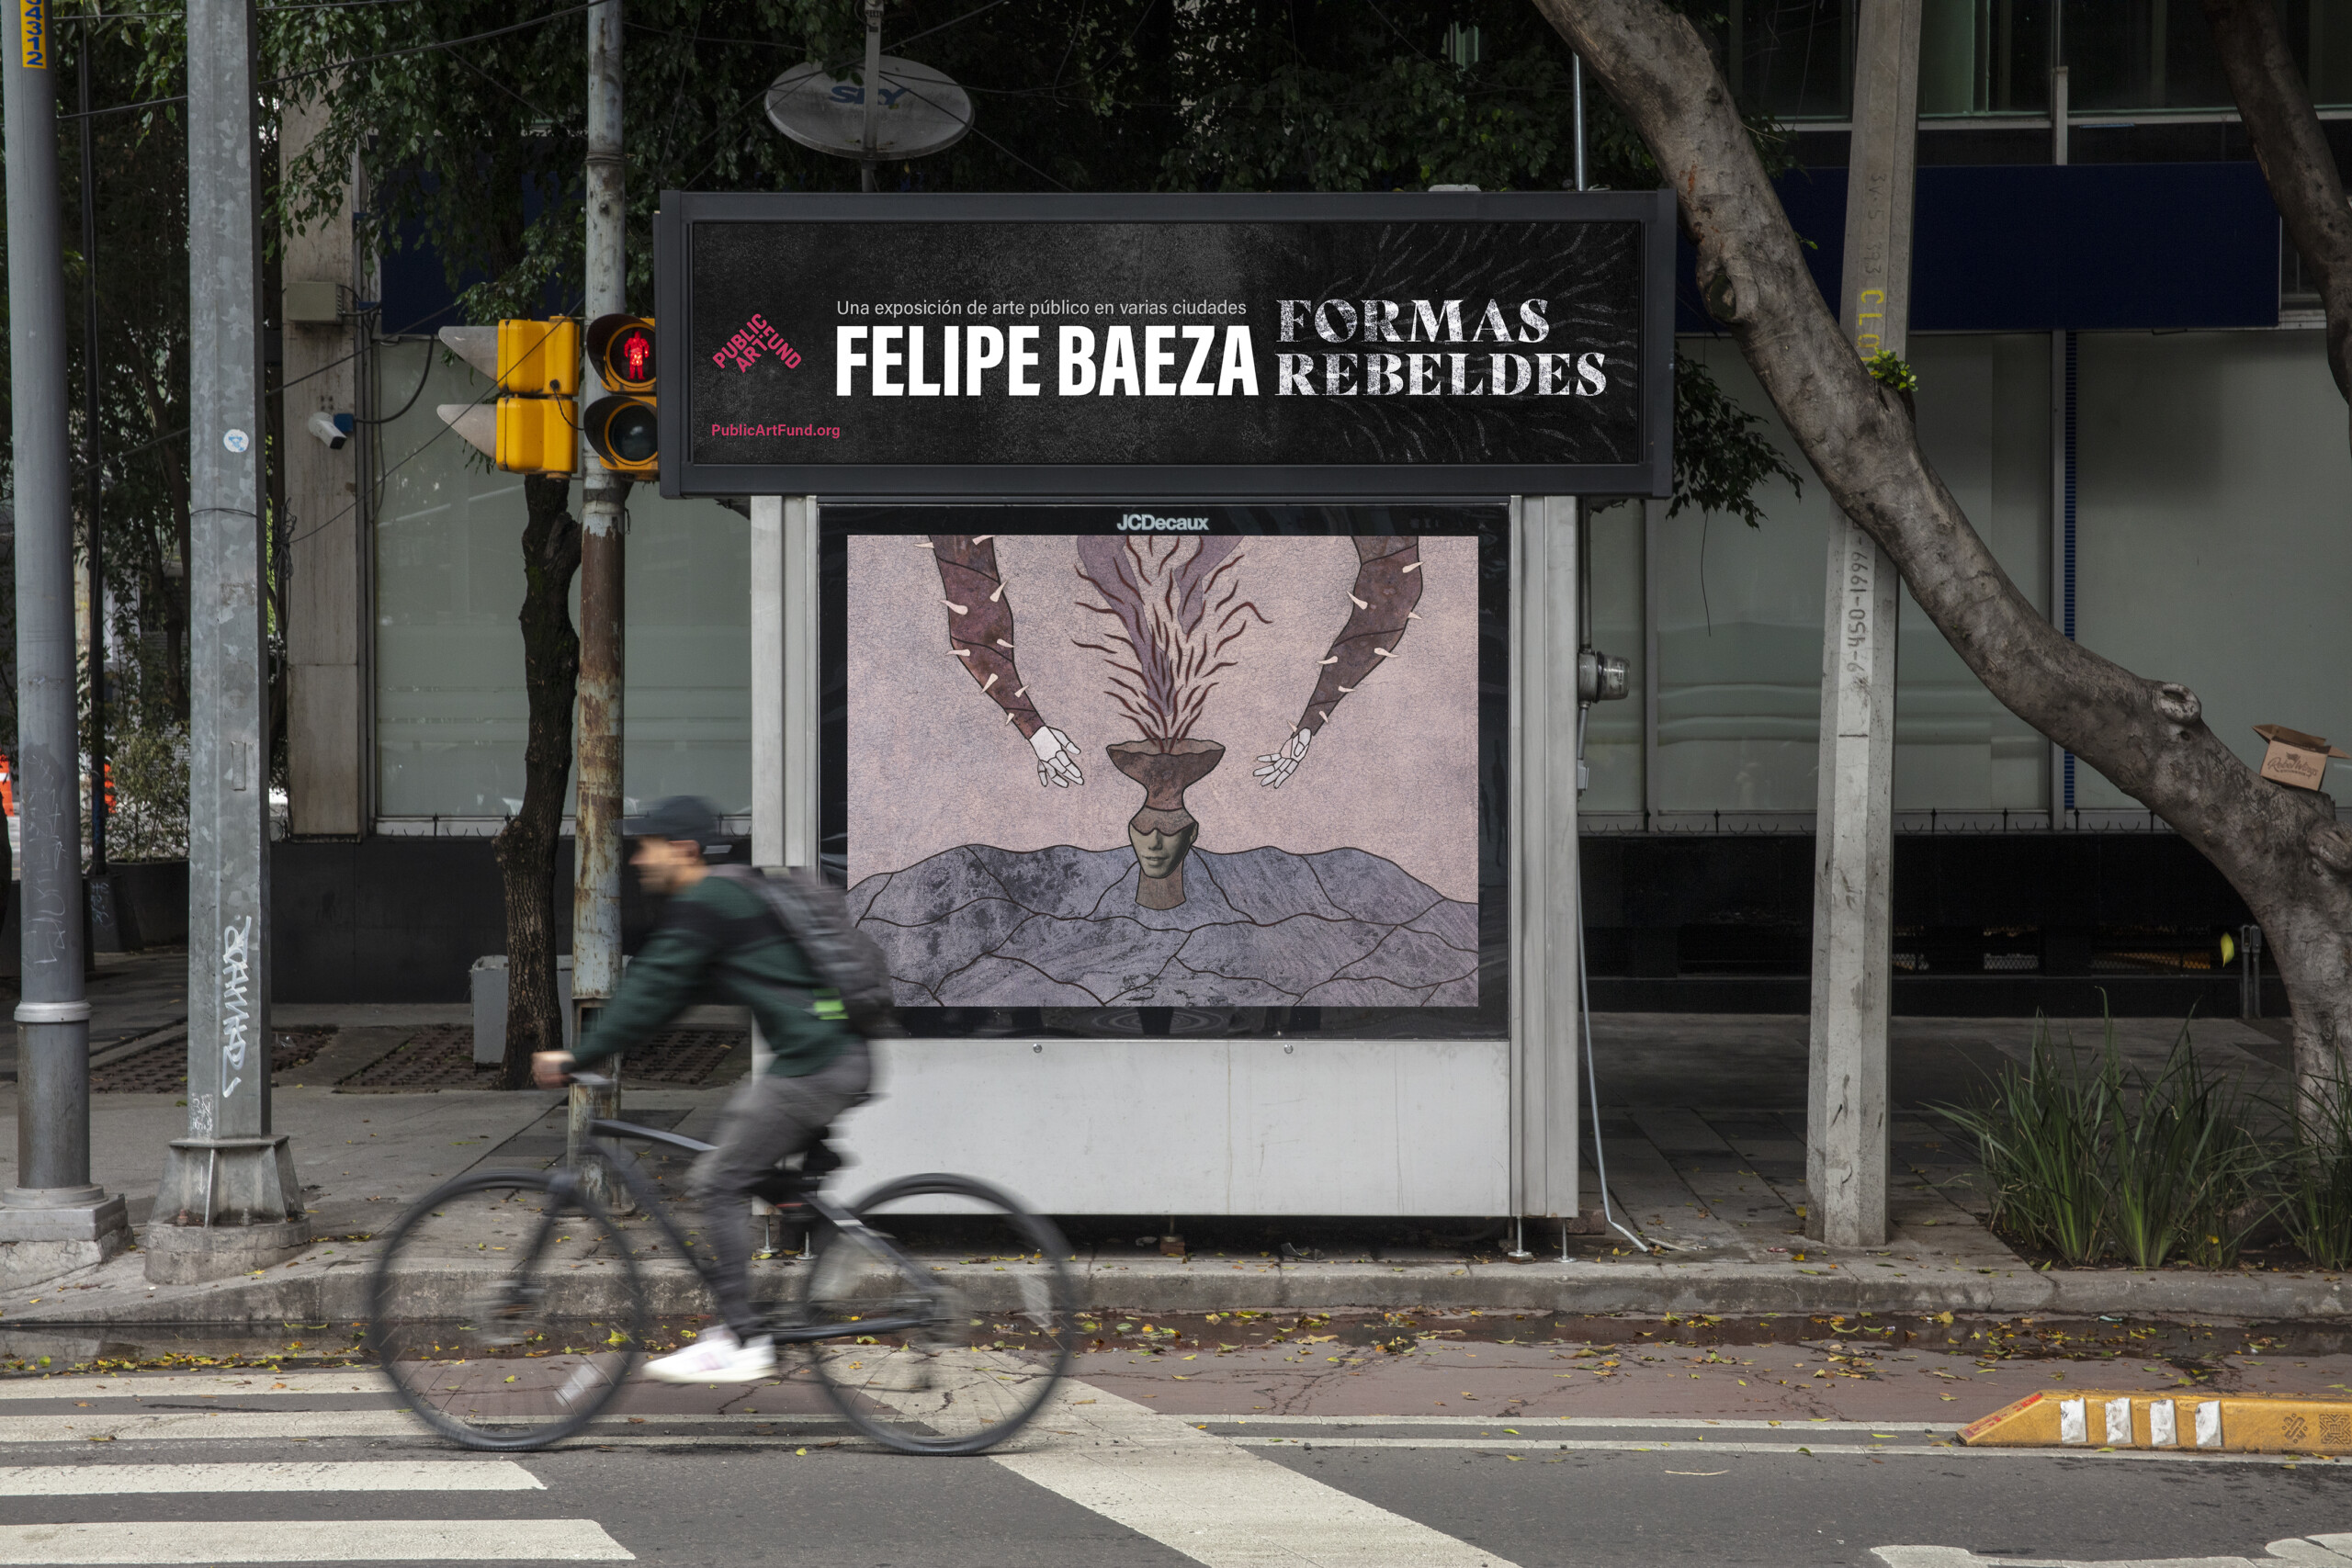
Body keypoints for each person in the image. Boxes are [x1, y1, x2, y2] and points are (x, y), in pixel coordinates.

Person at [532, 795, 871, 1384]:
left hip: (816, 1065)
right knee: (728, 1146)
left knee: (715, 1181)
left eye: (647, 846)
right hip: (826, 1058)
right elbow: (668, 996)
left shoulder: (708, 901)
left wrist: (577, 1055)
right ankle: (809, 1213)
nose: (637, 860)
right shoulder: (725, 897)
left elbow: (652, 990)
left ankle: (741, 1337)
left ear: (683, 851)